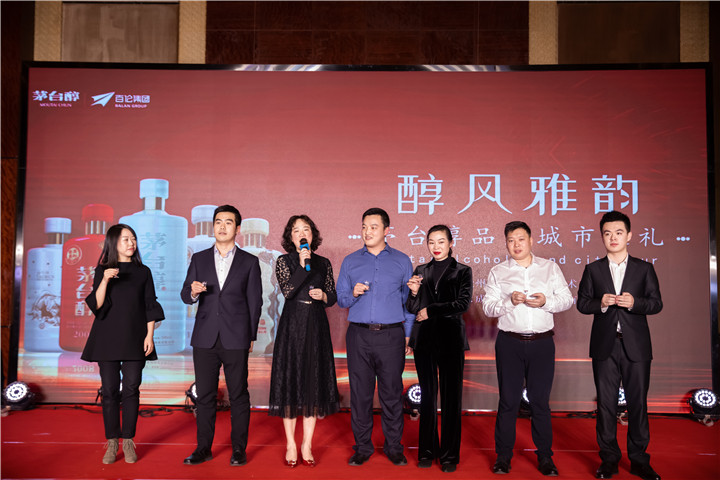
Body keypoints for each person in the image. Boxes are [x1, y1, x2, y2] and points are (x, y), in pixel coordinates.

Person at [482, 221, 573, 476]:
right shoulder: (498, 271)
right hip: (509, 343)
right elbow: (488, 307)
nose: (516, 245)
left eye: (521, 239)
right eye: (511, 240)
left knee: (540, 402)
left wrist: (546, 302)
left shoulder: (549, 268)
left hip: (542, 343)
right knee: (508, 401)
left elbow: (567, 300)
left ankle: (545, 457)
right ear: (506, 243)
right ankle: (503, 457)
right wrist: (508, 302)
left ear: (531, 240)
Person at [577, 211, 662, 480]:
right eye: (607, 233)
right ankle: (609, 459)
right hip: (605, 346)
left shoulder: (644, 268)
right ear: (602, 237)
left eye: (618, 232)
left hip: (637, 346)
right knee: (605, 404)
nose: (613, 238)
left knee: (638, 403)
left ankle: (639, 460)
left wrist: (635, 303)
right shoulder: (593, 269)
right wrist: (601, 303)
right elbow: (582, 304)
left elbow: (656, 303)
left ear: (629, 236)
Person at [180, 205, 263, 467]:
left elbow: (255, 302)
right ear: (213, 226)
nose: (222, 226)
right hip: (205, 337)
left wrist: (250, 336)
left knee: (238, 394)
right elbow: (185, 295)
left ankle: (238, 449)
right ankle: (203, 448)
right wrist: (193, 292)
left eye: (228, 222)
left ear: (237, 228)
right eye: (218, 221)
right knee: (205, 395)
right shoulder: (199, 259)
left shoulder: (249, 261)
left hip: (236, 337)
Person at [336, 207, 414, 467]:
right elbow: (341, 299)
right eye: (364, 227)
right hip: (358, 335)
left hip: (391, 336)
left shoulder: (402, 260)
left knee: (392, 393)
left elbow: (409, 303)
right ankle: (362, 447)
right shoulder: (350, 261)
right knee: (360, 394)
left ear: (386, 230)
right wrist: (353, 293)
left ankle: (394, 447)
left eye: (373, 227)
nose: (367, 232)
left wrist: (408, 335)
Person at [82, 224, 164, 464]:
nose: (131, 243)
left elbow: (150, 304)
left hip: (135, 337)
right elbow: (97, 305)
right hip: (106, 338)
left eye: (133, 239)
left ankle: (128, 440)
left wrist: (149, 336)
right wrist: (105, 279)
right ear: (113, 243)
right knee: (109, 391)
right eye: (126, 239)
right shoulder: (103, 270)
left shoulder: (143, 271)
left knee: (131, 389)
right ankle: (111, 442)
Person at [268, 215, 340, 467]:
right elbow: (288, 291)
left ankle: (306, 443)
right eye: (296, 230)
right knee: (290, 382)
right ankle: (290, 443)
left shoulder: (323, 263)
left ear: (312, 235)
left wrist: (324, 296)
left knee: (312, 382)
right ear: (291, 237)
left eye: (305, 229)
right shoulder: (283, 261)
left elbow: (333, 295)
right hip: (292, 325)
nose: (301, 234)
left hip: (316, 325)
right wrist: (301, 263)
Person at [406, 225, 472, 473]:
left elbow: (462, 304)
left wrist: (431, 310)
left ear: (451, 243)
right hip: (424, 340)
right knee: (427, 397)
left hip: (451, 340)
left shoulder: (463, 271)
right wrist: (413, 293)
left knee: (451, 398)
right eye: (431, 242)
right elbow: (412, 308)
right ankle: (426, 450)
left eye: (441, 241)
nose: (436, 246)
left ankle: (449, 455)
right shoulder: (421, 270)